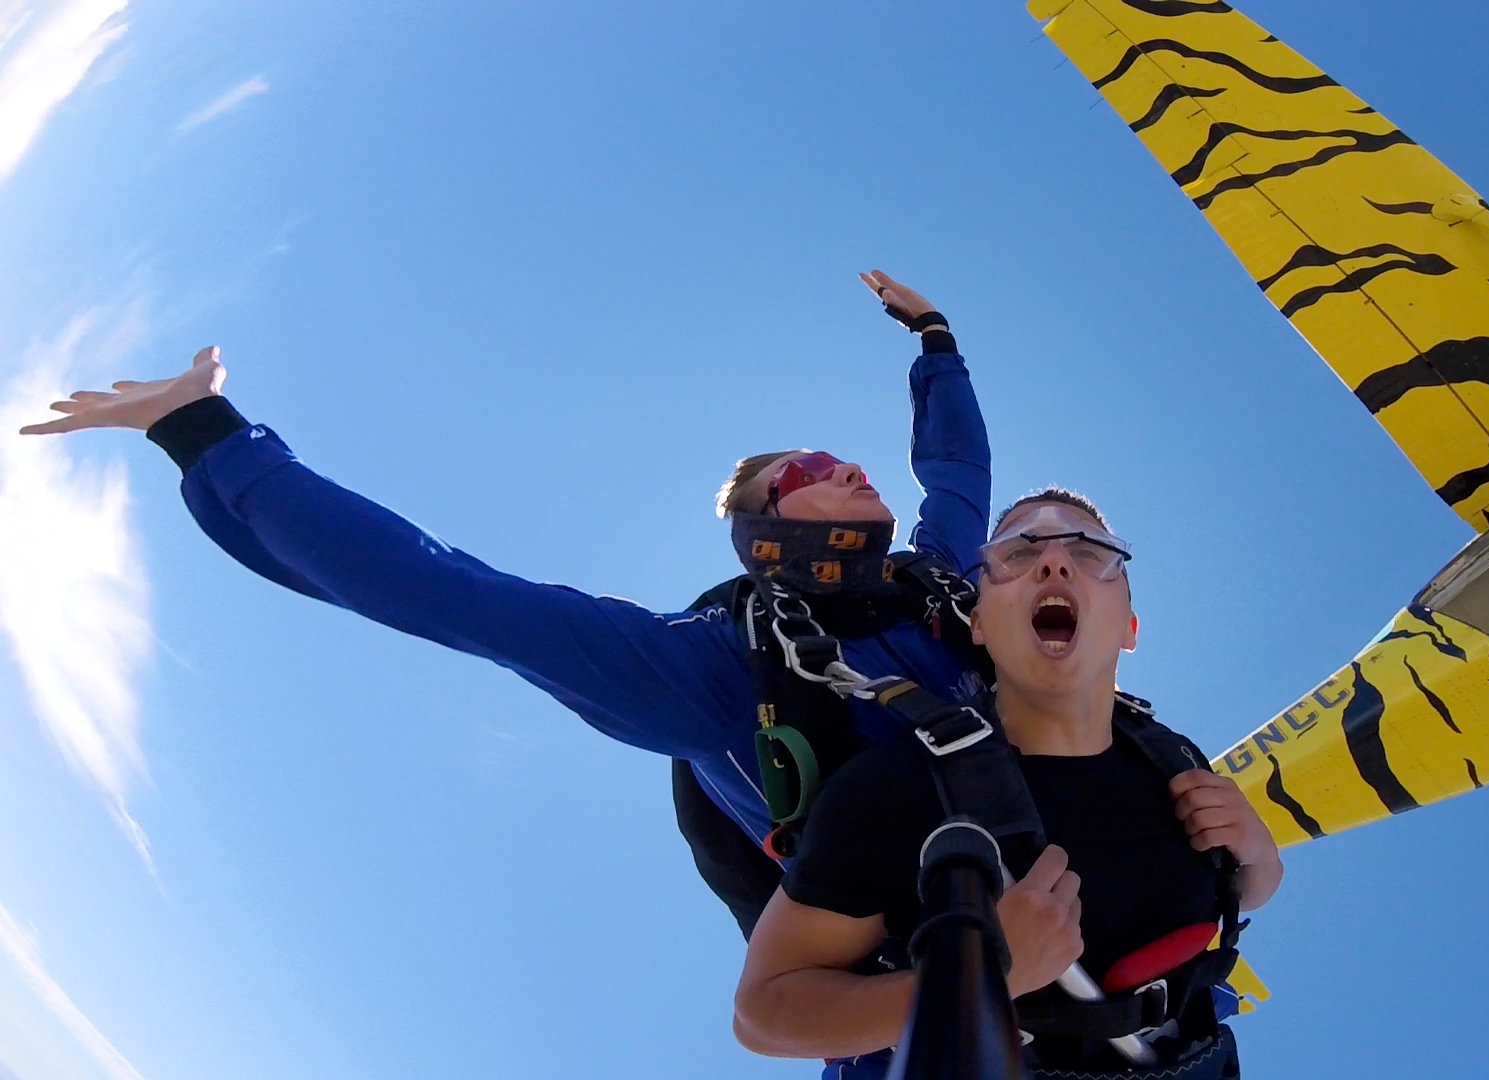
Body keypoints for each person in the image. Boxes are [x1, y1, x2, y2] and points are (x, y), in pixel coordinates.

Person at [20, 271, 991, 934]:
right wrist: (204, 433)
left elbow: (955, 473)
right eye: (811, 467)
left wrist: (934, 338)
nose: (848, 463)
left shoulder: (934, 585)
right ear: (765, 529)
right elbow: (449, 591)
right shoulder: (711, 672)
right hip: (936, 995)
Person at [734, 491, 1283, 1078]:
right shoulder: (898, 790)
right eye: (1017, 554)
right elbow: (764, 1014)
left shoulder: (1174, 759)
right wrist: (982, 979)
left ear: (1128, 626)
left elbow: (1233, 896)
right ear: (981, 624)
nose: (1054, 562)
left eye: (1091, 550)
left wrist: (1258, 855)